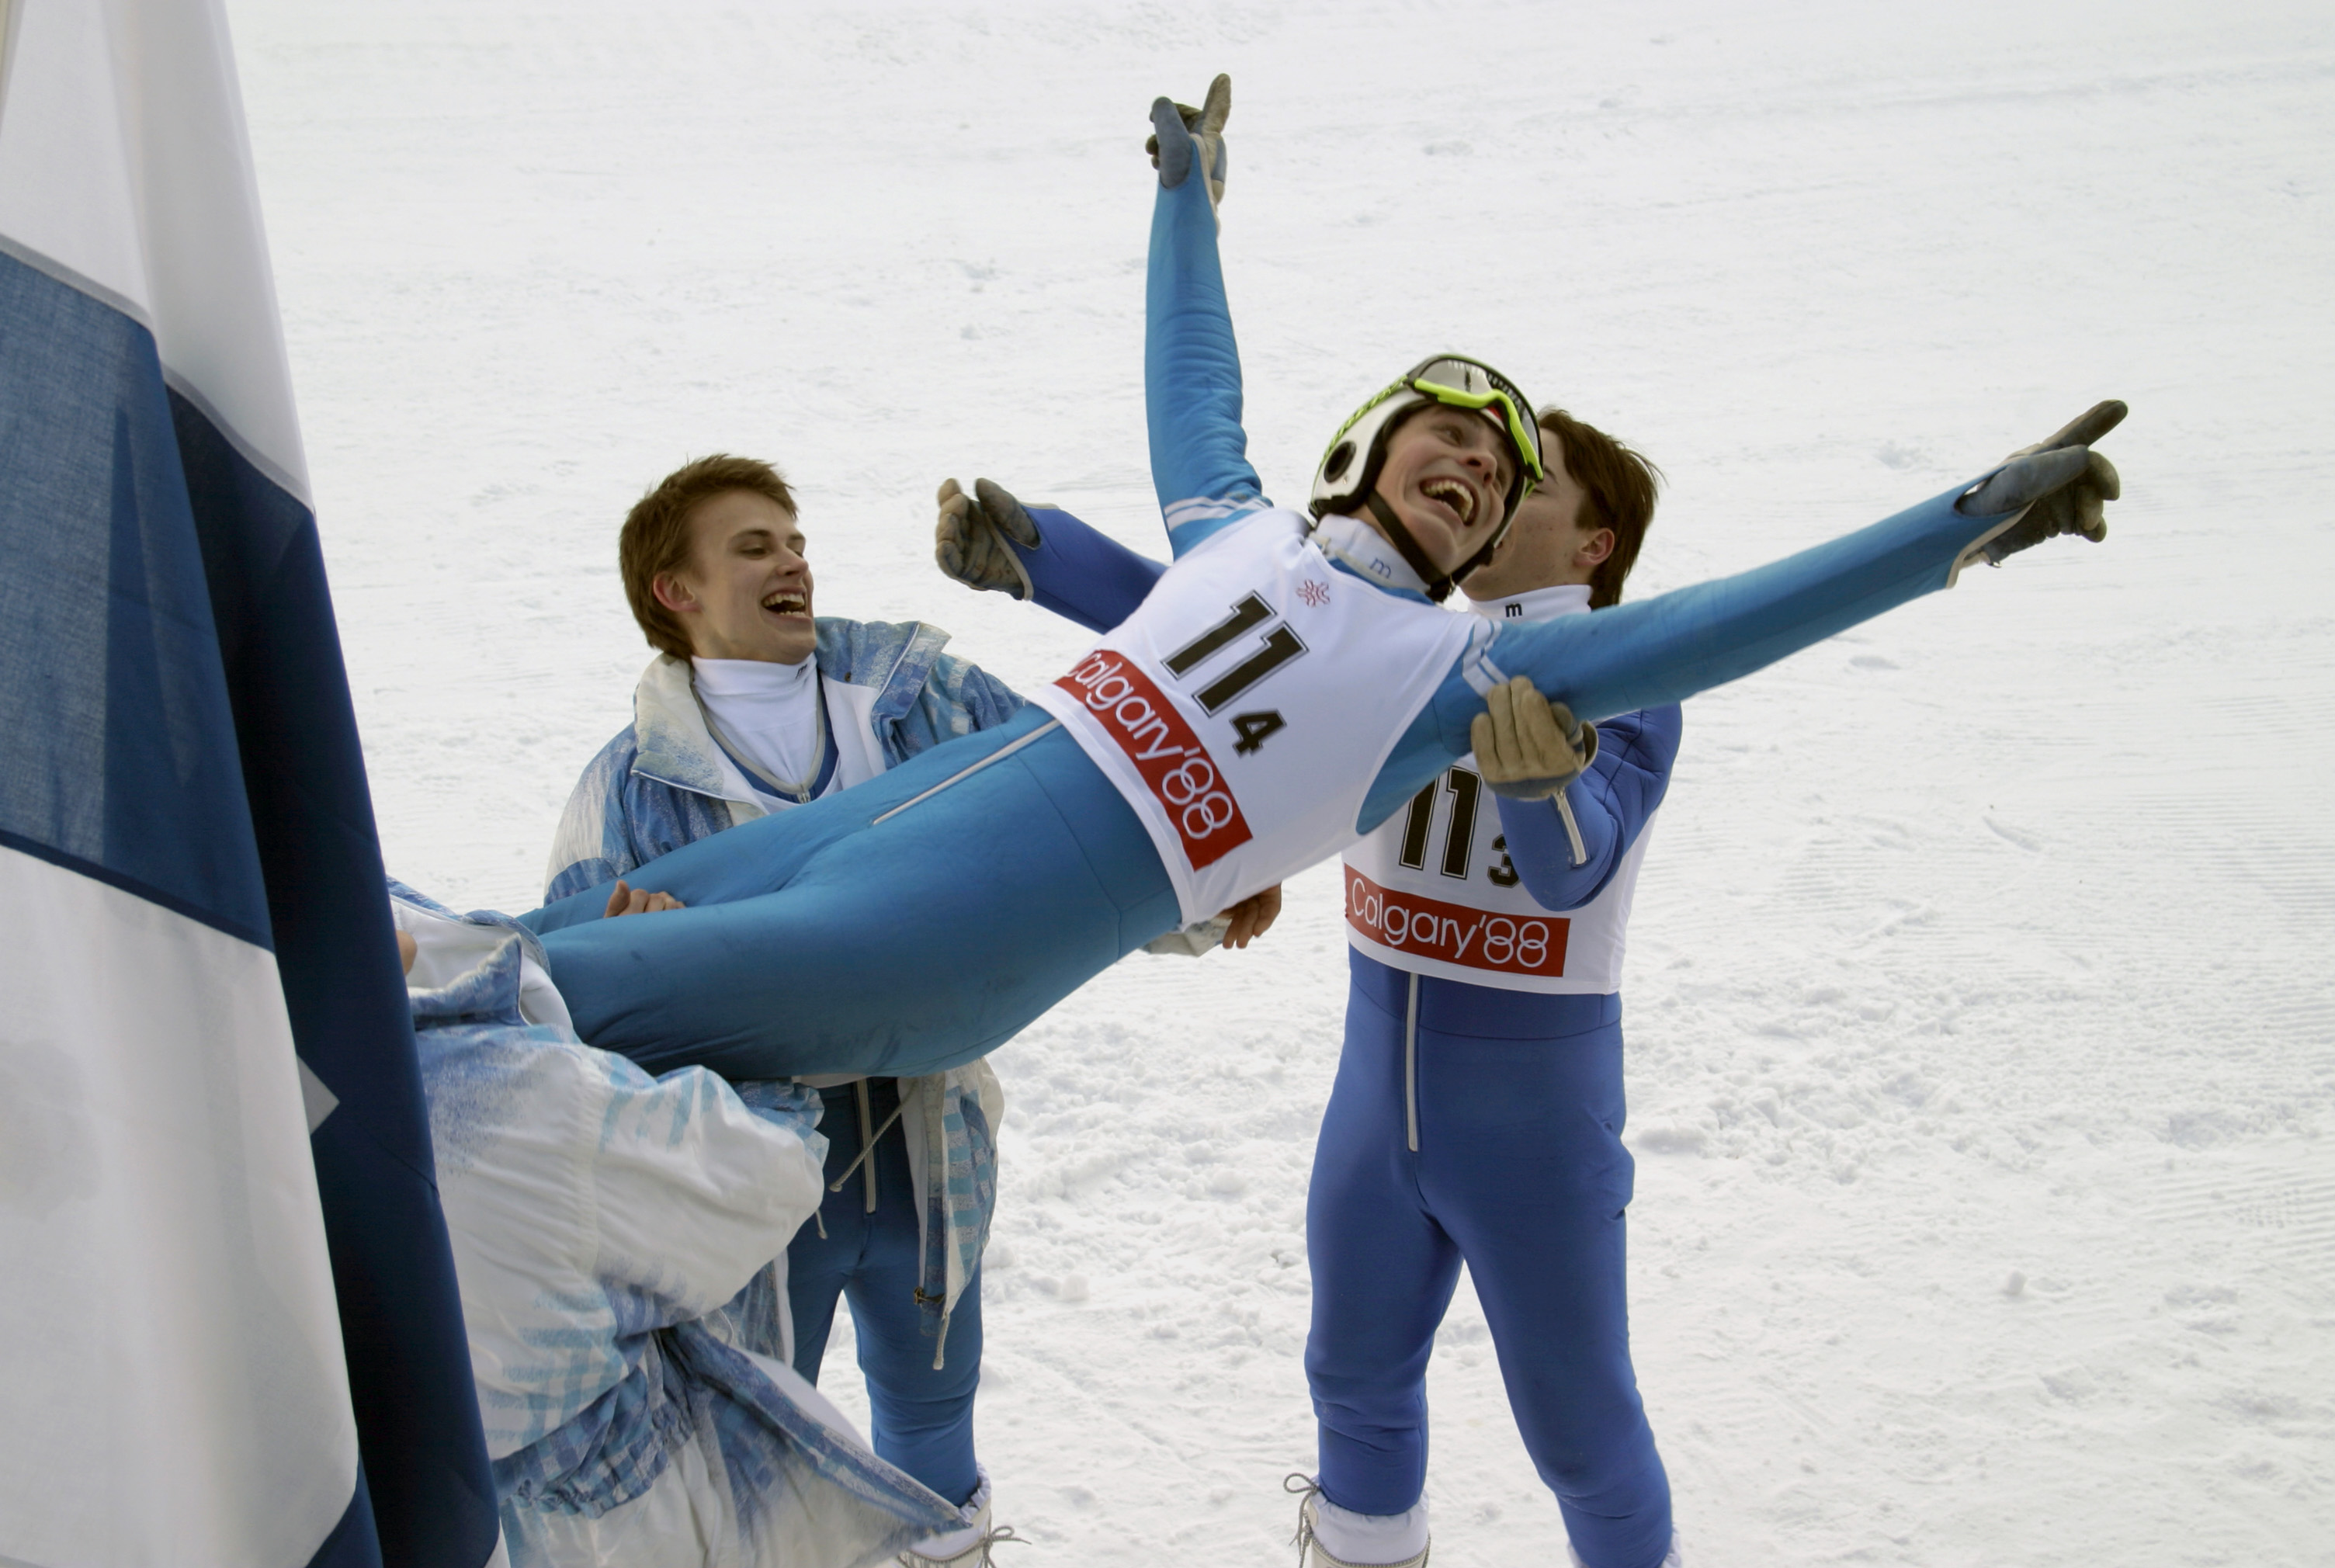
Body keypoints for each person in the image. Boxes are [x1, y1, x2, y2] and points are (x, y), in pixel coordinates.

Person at [516, 79, 2122, 1128]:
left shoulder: (1454, 669)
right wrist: (1185, 184)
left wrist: (1967, 522)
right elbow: (1190, 374)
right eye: (1452, 433)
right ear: (1366, 444)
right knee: (545, 943)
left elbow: (1723, 620)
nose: (1479, 466)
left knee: (556, 1004)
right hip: (892, 823)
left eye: (1502, 472)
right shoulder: (1234, 530)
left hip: (946, 930)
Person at [936, 400, 1682, 1566]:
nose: (1498, 486)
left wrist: (1541, 786)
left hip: (1533, 1131)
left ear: (1596, 545)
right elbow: (1223, 640)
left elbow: (1569, 876)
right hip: (1372, 1107)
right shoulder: (1408, 635)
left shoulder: (1631, 677)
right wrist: (1042, 561)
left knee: (1578, 1434)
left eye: (1534, 482)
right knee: (1352, 1380)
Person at [388, 877, 965, 1568]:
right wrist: (655, 991)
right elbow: (737, 1163)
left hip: (919, 1178)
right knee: (797, 1443)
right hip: (753, 1245)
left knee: (933, 1419)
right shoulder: (495, 1096)